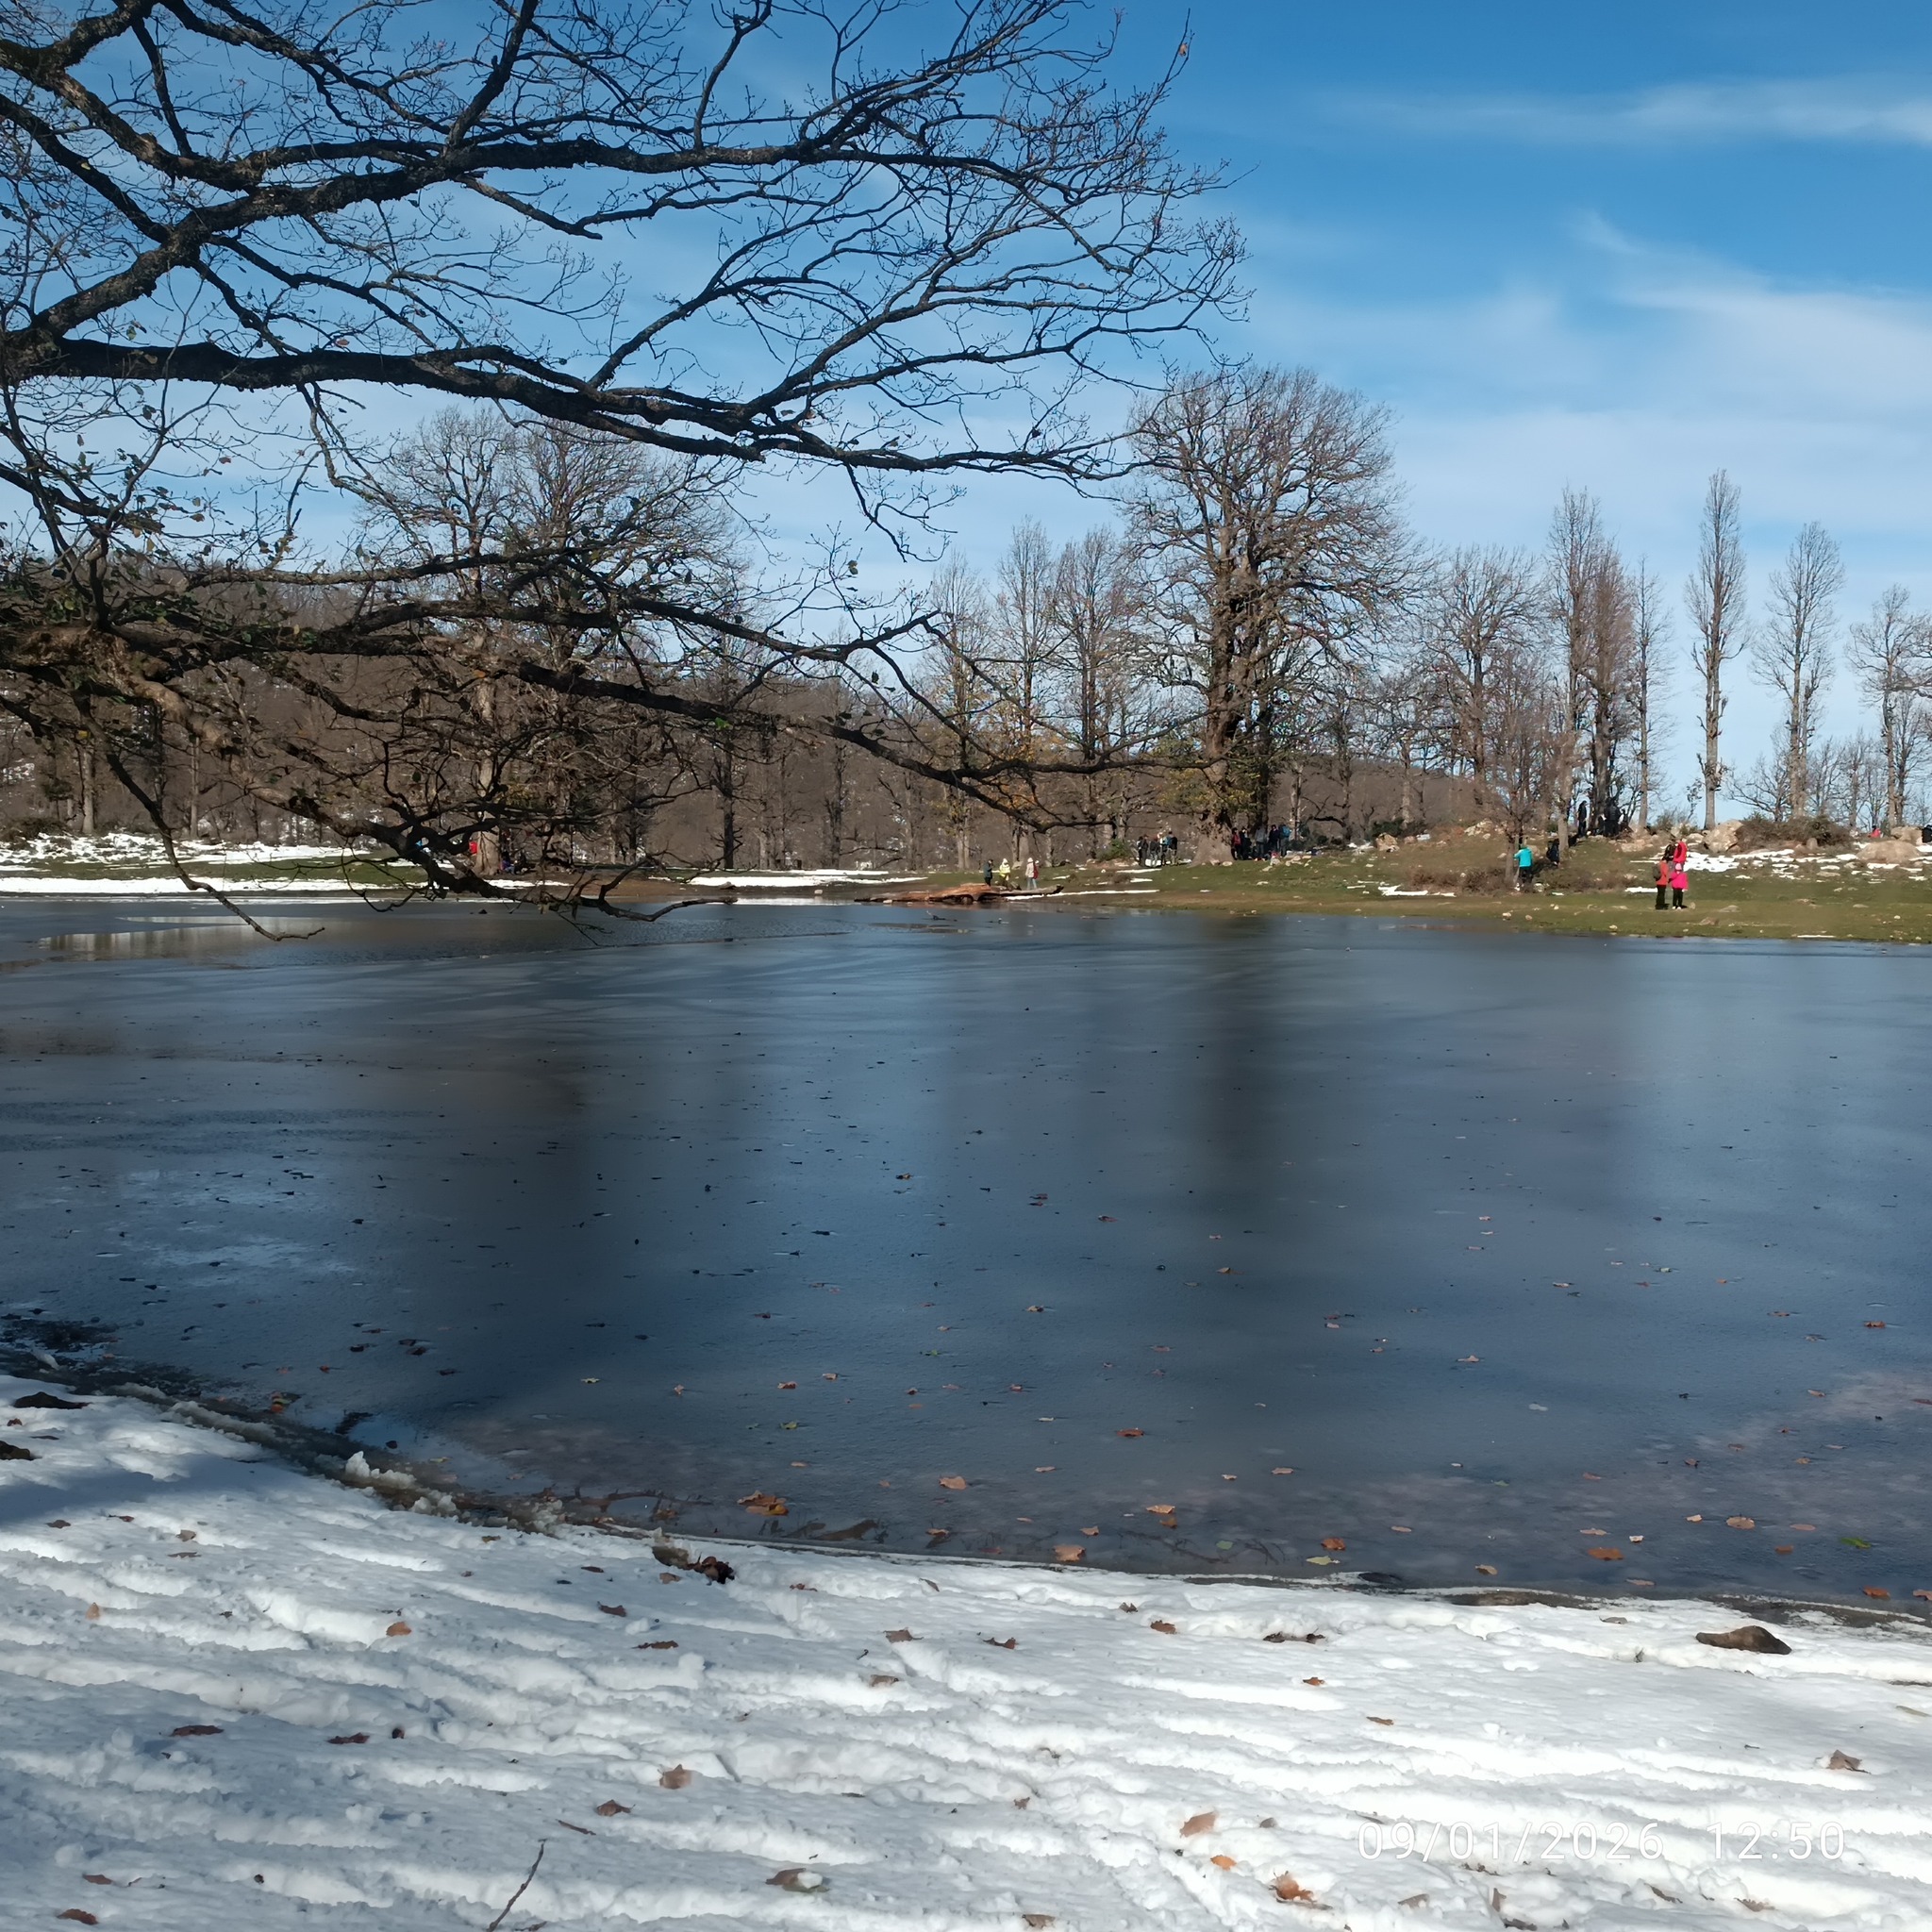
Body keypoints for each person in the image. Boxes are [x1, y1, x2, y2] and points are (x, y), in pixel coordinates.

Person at [1654, 846, 1671, 910]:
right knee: (1662, 894)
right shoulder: (1664, 865)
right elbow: (1665, 872)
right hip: (1663, 881)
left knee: (1659, 894)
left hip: (1658, 881)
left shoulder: (1658, 864)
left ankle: (1658, 904)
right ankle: (1661, 905)